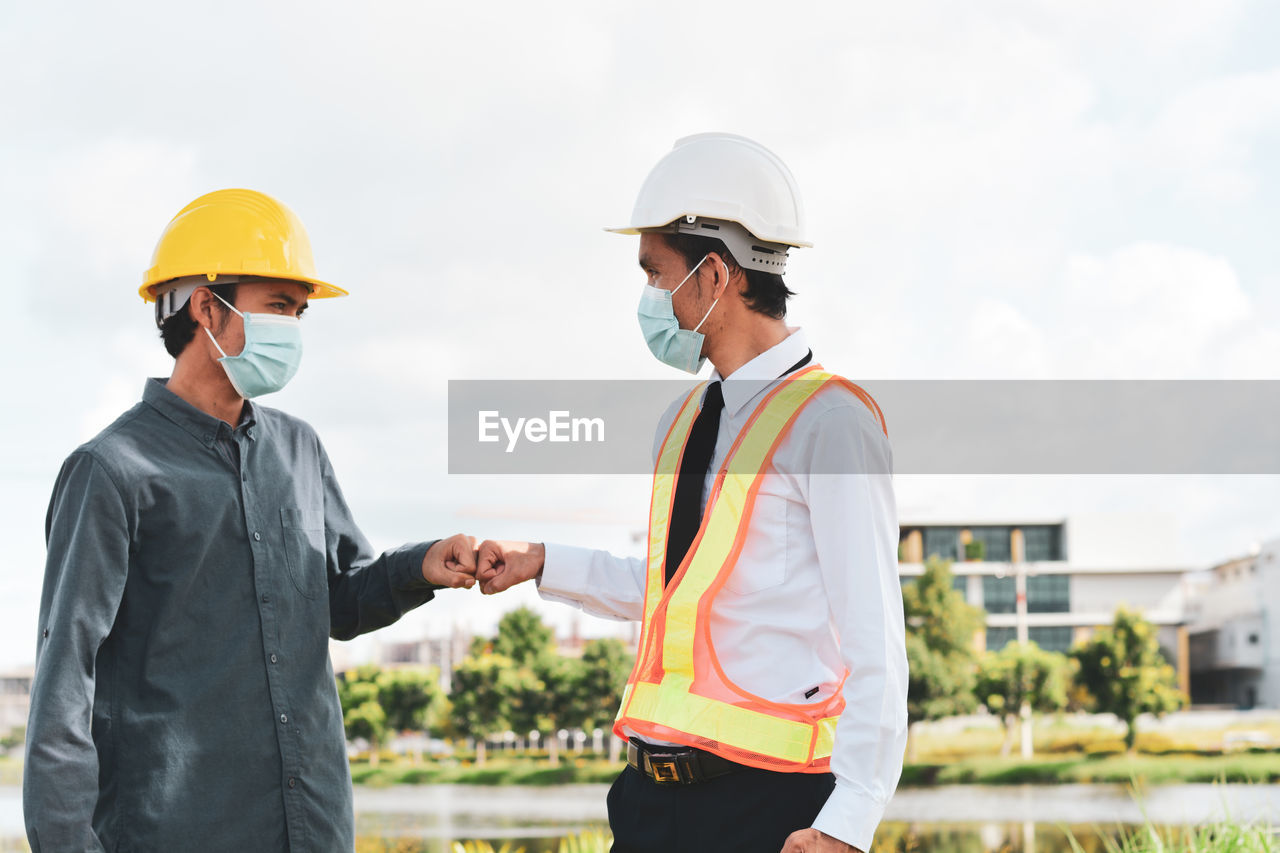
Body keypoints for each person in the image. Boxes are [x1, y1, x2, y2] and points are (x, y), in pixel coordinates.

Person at [475, 134, 908, 853]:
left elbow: (877, 642)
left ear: (713, 277)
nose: (648, 296)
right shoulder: (683, 422)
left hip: (768, 805)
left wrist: (849, 821)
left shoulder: (831, 424)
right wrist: (541, 561)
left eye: (655, 272)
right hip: (650, 803)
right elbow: (673, 591)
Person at [23, 189, 478, 852]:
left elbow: (337, 599)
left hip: (311, 828)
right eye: (280, 307)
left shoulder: (300, 450)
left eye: (298, 312)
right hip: (173, 833)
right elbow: (65, 680)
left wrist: (420, 565)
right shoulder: (113, 470)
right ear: (208, 308)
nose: (294, 329)